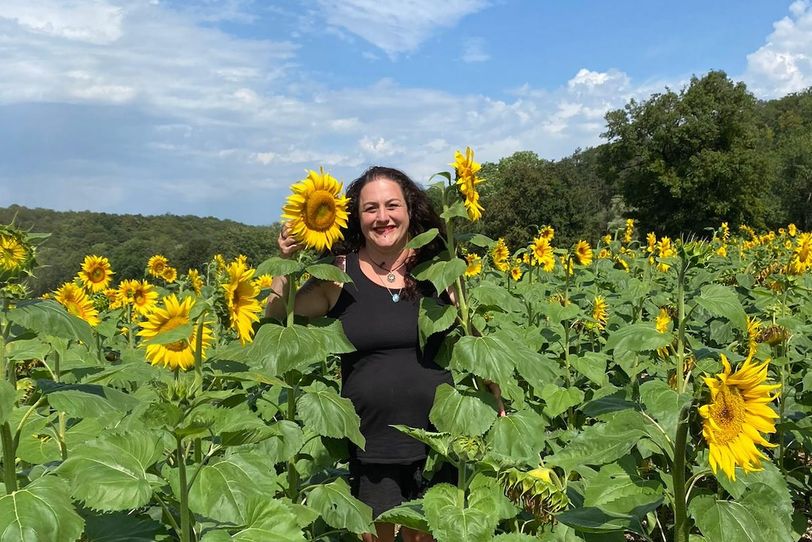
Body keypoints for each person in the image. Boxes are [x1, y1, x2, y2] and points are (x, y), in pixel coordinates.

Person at [266, 166, 465, 542]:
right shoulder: (337, 275)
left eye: (392, 205)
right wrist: (285, 264)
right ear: (356, 218)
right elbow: (279, 314)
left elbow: (471, 336)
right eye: (370, 209)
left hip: (442, 441)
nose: (382, 217)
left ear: (410, 209)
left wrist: (495, 393)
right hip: (374, 447)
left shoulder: (438, 269)